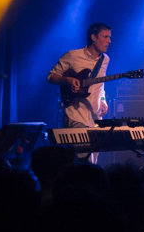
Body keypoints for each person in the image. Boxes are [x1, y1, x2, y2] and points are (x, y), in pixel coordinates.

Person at [47, 23, 112, 160]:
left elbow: (100, 83)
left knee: (92, 162)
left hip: (95, 118)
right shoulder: (72, 56)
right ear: (93, 37)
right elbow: (51, 76)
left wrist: (103, 99)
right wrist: (68, 80)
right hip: (76, 115)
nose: (109, 41)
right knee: (82, 160)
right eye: (105, 37)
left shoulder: (105, 59)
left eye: (109, 37)